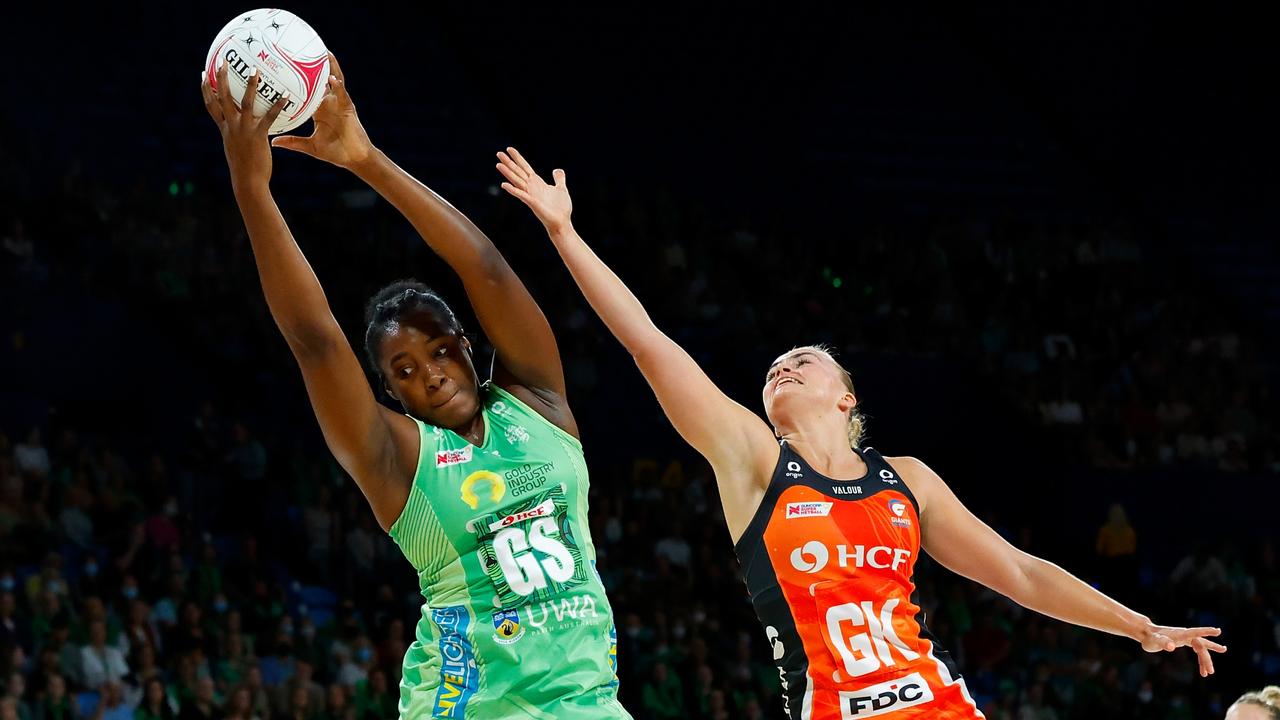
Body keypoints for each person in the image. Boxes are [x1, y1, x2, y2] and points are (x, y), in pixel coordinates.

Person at [495, 148, 1228, 719]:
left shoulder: (906, 478)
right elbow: (649, 343)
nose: (783, 365)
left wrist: (1137, 626)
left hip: (939, 704)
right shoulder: (751, 461)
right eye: (775, 364)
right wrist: (564, 232)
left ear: (846, 397)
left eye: (803, 361)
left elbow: (1020, 573)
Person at [200, 57, 627, 719]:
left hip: (586, 702)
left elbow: (482, 267)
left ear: (466, 343)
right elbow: (315, 340)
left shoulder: (538, 401)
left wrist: (366, 160)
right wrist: (254, 190)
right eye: (403, 372)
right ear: (392, 396)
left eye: (439, 349)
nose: (430, 371)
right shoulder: (398, 459)